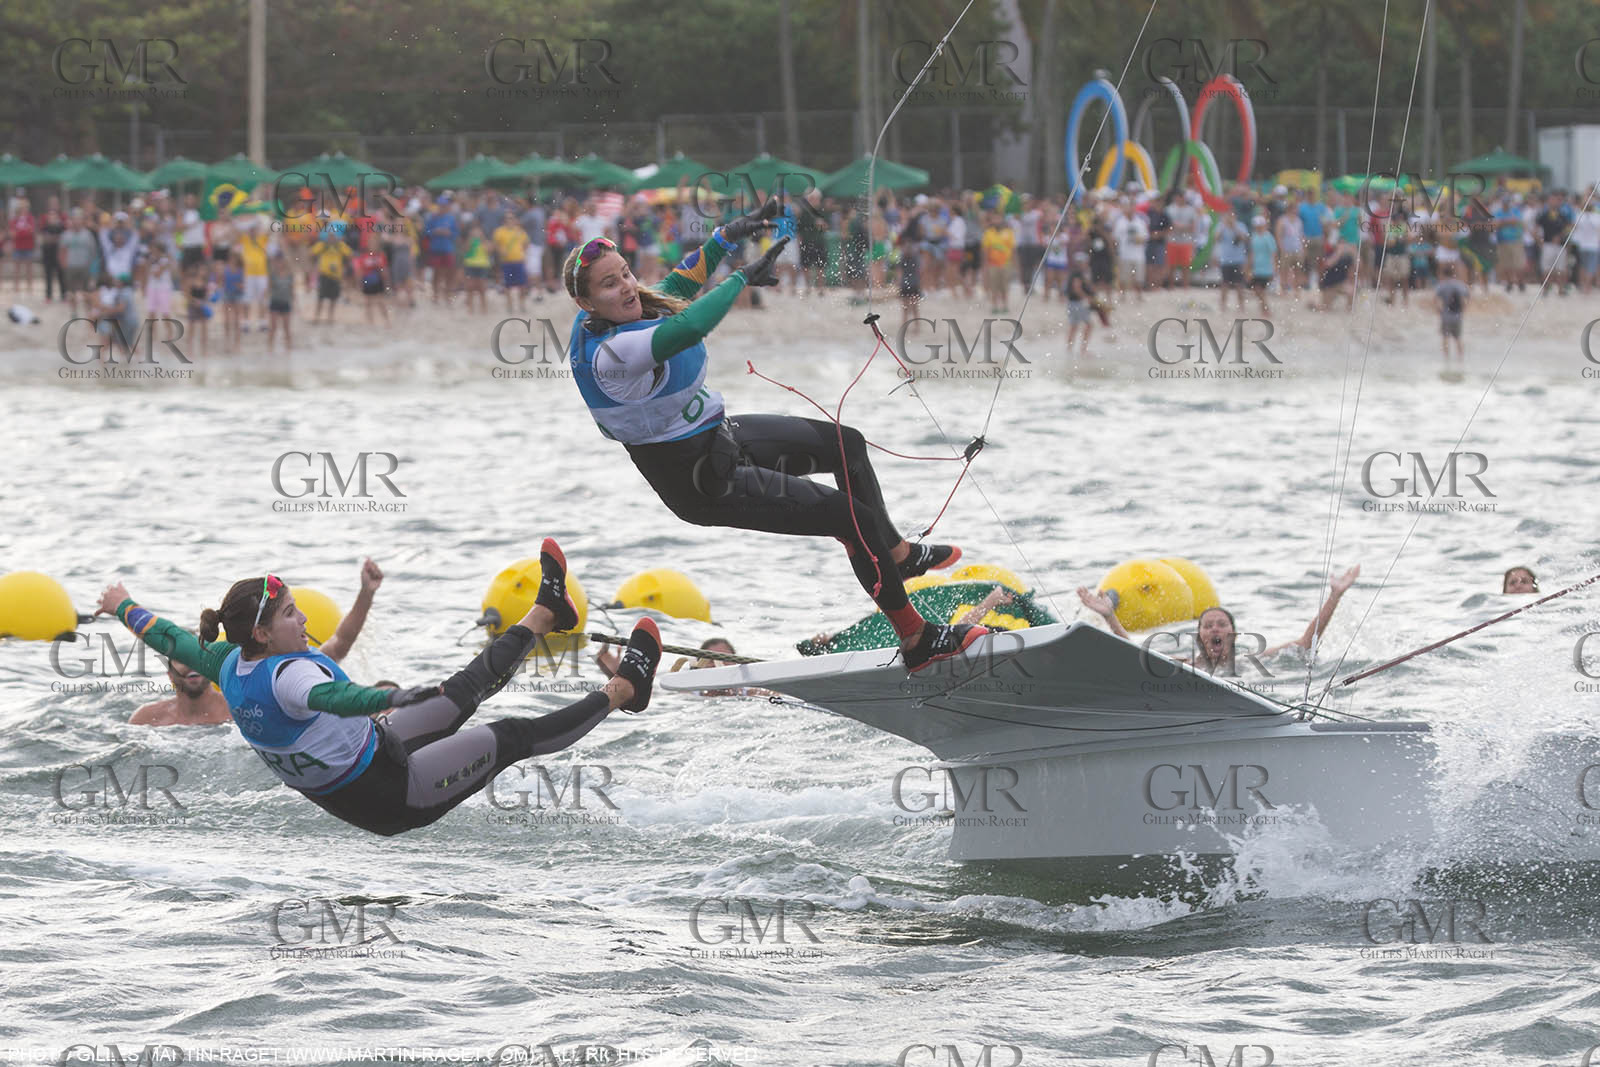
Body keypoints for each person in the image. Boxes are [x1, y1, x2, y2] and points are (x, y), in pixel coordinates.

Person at [561, 205, 983, 675]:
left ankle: (897, 556)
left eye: (625, 273)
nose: (625, 287)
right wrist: (741, 278)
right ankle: (917, 640)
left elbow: (675, 288)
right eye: (609, 284)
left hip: (719, 440)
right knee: (852, 519)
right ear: (586, 303)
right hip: (702, 482)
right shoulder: (612, 355)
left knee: (846, 444)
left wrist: (723, 238)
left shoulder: (623, 310)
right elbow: (691, 325)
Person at [97, 540, 663, 837]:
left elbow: (168, 636)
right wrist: (390, 698)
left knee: (461, 691)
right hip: (391, 795)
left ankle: (547, 612)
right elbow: (336, 699)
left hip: (372, 749)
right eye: (291, 613)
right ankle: (625, 689)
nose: (303, 618)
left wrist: (122, 604)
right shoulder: (290, 677)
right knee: (510, 736)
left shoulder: (227, 661)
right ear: (264, 634)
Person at [1077, 565, 1360, 676]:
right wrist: (1109, 615)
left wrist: (1334, 595)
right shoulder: (1188, 665)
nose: (1215, 629)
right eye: (1208, 625)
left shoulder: (1251, 662)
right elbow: (1137, 653)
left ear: (1233, 635)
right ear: (1199, 636)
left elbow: (1304, 643)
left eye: (1222, 625)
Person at [131, 658, 232, 726]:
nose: (191, 665)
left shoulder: (237, 710)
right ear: (170, 674)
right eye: (181, 659)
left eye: (198, 657)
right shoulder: (145, 719)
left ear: (211, 668)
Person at [1435, 262, 1468, 365]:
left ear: (1443, 274)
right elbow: (1465, 299)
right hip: (1457, 316)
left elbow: (1437, 301)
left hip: (1446, 316)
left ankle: (1446, 361)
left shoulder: (1441, 286)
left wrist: (1439, 312)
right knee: (1458, 338)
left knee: (1445, 338)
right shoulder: (1460, 285)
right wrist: (1463, 310)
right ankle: (1461, 360)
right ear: (1453, 274)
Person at [1247, 215, 1276, 317]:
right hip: (1257, 268)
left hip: (1266, 268)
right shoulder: (1254, 237)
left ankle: (1265, 309)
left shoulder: (1268, 237)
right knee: (1258, 289)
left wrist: (1274, 268)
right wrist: (1249, 267)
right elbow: (1251, 254)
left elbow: (1273, 253)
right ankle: (1264, 309)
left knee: (1259, 289)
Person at [266, 250, 294, 352]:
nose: (279, 263)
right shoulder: (272, 274)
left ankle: (289, 347)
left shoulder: (289, 274)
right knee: (273, 327)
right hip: (275, 302)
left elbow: (292, 289)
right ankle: (270, 347)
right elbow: (269, 289)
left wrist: (294, 302)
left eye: (280, 261)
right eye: (277, 261)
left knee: (286, 327)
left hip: (286, 302)